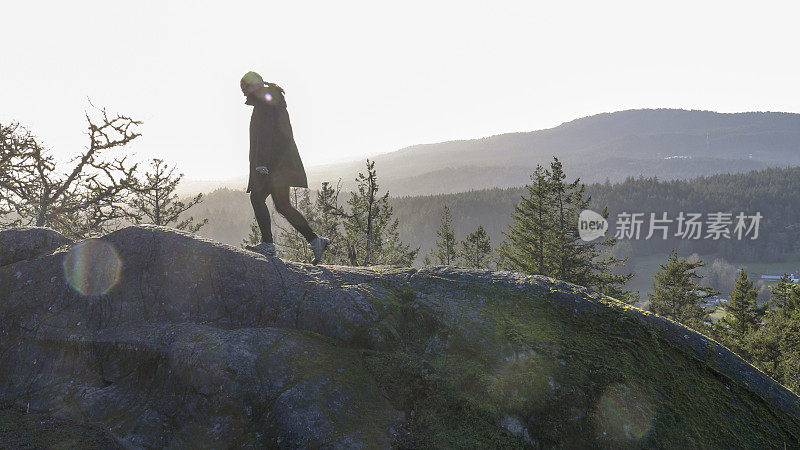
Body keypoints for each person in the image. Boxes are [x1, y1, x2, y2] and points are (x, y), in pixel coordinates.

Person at [240, 71, 329, 264]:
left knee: (257, 198)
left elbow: (265, 134)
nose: (244, 92)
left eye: (245, 87)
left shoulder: (264, 102)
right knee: (282, 205)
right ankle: (315, 241)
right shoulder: (271, 99)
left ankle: (268, 244)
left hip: (272, 163)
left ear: (255, 84)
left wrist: (261, 162)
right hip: (280, 162)